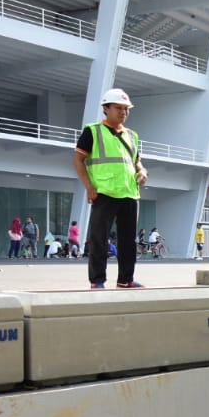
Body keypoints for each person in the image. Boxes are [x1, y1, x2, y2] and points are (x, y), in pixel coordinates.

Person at [72, 88, 149, 289]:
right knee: (99, 238)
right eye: (118, 108)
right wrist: (89, 187)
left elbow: (137, 162)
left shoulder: (132, 135)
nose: (123, 112)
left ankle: (126, 279)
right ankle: (97, 281)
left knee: (128, 241)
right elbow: (78, 160)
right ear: (106, 108)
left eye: (126, 109)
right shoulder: (93, 131)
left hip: (130, 193)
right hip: (104, 192)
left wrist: (142, 172)